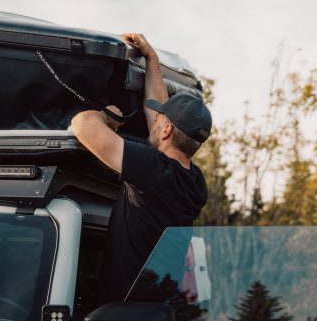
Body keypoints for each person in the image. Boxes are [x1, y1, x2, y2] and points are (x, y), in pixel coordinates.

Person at [70, 33, 212, 303]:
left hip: (125, 314)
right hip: (155, 309)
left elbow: (83, 125)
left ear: (167, 129)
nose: (155, 121)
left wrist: (109, 116)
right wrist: (152, 58)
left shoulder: (151, 170)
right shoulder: (193, 182)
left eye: (160, 119)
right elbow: (156, 122)